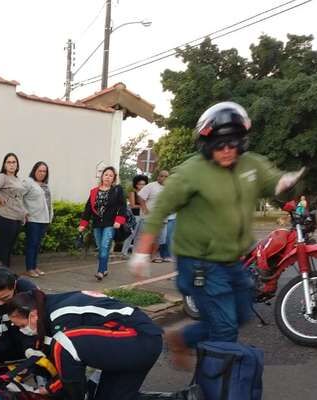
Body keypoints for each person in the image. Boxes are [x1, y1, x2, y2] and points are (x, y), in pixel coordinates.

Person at [130, 102, 302, 368]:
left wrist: (285, 184)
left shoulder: (251, 164)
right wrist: (142, 252)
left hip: (234, 261)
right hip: (200, 264)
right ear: (207, 144)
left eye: (232, 144)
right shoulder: (190, 172)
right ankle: (219, 394)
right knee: (225, 329)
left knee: (243, 314)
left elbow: (272, 180)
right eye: (220, 145)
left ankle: (183, 338)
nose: (226, 150)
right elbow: (158, 211)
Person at [5, 290, 211, 400]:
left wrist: (49, 390)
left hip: (138, 340)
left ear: (32, 315)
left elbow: (70, 356)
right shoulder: (53, 306)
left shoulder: (59, 316)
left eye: (20, 324)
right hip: (133, 342)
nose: (22, 329)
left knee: (64, 343)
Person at [77, 166, 128, 281]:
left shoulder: (117, 190)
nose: (108, 177)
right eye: (106, 175)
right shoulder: (94, 191)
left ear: (114, 178)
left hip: (110, 224)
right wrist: (83, 224)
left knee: (105, 246)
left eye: (111, 175)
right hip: (97, 224)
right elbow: (88, 209)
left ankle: (100, 271)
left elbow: (122, 206)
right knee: (101, 248)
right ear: (102, 176)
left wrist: (119, 221)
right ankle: (104, 269)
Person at [0, 153, 29, 268]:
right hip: (6, 216)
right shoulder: (2, 176)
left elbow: (20, 199)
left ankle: (4, 270)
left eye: (14, 162)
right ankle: (2, 270)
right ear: (4, 165)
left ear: (17, 165)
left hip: (17, 217)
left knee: (10, 245)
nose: (11, 165)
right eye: (9, 162)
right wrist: (0, 198)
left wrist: (24, 213)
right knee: (4, 245)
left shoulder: (17, 179)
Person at [23, 161, 53, 277]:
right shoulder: (28, 183)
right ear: (34, 171)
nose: (42, 173)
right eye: (39, 170)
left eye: (44, 171)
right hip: (33, 219)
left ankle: (34, 267)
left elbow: (49, 203)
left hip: (44, 220)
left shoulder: (45, 185)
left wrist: (50, 217)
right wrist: (24, 211)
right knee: (32, 243)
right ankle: (29, 268)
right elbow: (19, 196)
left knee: (37, 245)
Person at [137, 170, 172, 262]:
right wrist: (145, 209)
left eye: (166, 176)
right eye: (162, 176)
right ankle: (144, 256)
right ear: (158, 177)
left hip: (163, 218)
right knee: (148, 237)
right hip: (149, 217)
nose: (164, 178)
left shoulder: (170, 188)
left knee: (160, 238)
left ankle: (153, 256)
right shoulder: (151, 186)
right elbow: (140, 197)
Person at [120, 174, 148, 255]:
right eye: (140, 184)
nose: (142, 186)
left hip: (143, 216)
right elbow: (132, 205)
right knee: (131, 234)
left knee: (139, 235)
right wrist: (143, 206)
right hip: (135, 216)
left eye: (144, 184)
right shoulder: (133, 193)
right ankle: (124, 252)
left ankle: (135, 253)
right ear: (136, 184)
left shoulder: (146, 193)